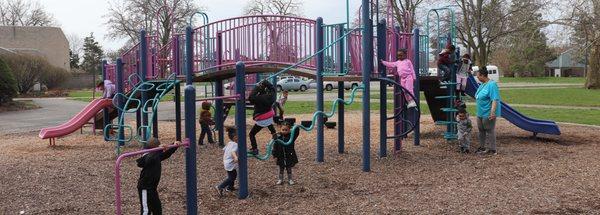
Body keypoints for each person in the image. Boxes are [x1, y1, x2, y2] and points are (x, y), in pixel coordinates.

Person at [137, 137, 181, 215]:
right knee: (146, 211)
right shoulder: (146, 156)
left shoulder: (156, 156)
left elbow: (165, 154)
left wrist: (174, 146)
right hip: (145, 188)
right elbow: (149, 159)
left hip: (153, 188)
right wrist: (159, 149)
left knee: (157, 210)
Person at [474, 67, 501, 155]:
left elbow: (494, 99)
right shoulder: (482, 84)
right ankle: (482, 147)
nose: (477, 77)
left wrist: (492, 112)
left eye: (478, 76)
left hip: (488, 112)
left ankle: (492, 149)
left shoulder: (492, 85)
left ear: (483, 75)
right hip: (480, 112)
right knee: (481, 130)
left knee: (489, 130)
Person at [248, 80, 278, 155]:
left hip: (261, 119)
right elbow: (273, 89)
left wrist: (257, 88)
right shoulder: (272, 96)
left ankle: (255, 149)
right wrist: (266, 83)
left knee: (251, 134)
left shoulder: (258, 98)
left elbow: (250, 98)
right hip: (269, 117)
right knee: (271, 128)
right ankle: (277, 144)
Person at [215, 126, 238, 197]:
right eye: (238, 136)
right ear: (235, 137)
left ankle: (230, 187)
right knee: (232, 177)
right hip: (230, 163)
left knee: (233, 174)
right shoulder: (235, 144)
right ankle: (220, 187)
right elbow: (232, 152)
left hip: (226, 162)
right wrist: (235, 157)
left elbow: (225, 149)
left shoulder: (230, 143)